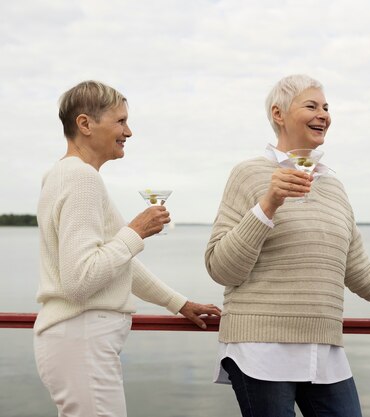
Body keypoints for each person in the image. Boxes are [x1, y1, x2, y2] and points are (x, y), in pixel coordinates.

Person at [205, 74, 370, 417]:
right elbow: (221, 268)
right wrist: (269, 203)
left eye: (327, 108)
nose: (324, 115)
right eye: (312, 106)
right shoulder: (249, 174)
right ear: (278, 113)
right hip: (261, 351)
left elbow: (360, 274)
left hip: (324, 352)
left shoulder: (333, 186)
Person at [34, 80, 222, 417]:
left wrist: (179, 303)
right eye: (120, 121)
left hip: (77, 342)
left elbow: (117, 263)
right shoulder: (82, 179)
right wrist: (135, 232)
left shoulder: (62, 175)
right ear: (85, 124)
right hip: (82, 339)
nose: (129, 131)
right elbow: (80, 280)